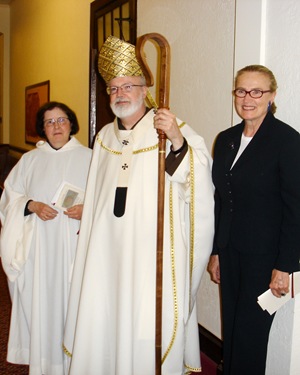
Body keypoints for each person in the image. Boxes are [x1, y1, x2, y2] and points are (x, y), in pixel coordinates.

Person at [63, 35, 214, 375]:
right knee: (104, 315)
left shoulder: (172, 131)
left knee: (144, 322)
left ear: (145, 88)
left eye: (128, 86)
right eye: (113, 88)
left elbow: (199, 184)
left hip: (150, 256)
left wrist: (176, 141)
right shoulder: (103, 137)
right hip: (106, 254)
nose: (120, 94)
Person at [208, 65, 300, 375]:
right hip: (231, 252)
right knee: (232, 330)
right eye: (241, 91)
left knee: (250, 336)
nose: (248, 98)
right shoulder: (227, 139)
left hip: (266, 259)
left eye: (257, 91)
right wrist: (216, 251)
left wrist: (286, 266)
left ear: (272, 96)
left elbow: (295, 208)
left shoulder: (287, 141)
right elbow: (222, 198)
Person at [0, 101, 92, 375]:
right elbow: (10, 198)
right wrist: (31, 205)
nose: (56, 126)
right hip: (39, 252)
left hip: (77, 249)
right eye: (49, 122)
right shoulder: (30, 160)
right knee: (44, 307)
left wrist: (88, 210)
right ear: (42, 128)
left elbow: (108, 200)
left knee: (75, 307)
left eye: (61, 120)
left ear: (71, 123)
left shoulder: (91, 157)